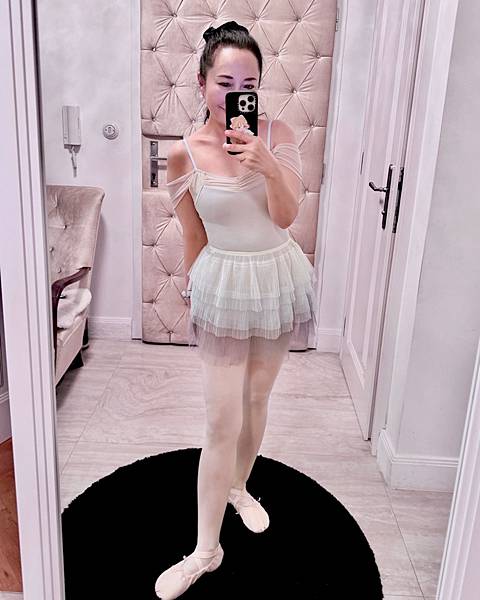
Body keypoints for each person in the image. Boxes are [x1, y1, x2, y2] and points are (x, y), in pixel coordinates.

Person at [155, 21, 317, 600]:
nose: (236, 94)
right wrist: (195, 293)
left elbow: (286, 216)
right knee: (220, 419)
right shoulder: (182, 155)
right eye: (225, 83)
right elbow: (193, 235)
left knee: (256, 399)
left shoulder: (279, 134)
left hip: (275, 275)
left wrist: (266, 163)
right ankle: (206, 550)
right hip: (223, 282)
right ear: (201, 84)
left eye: (249, 84)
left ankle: (239, 486)